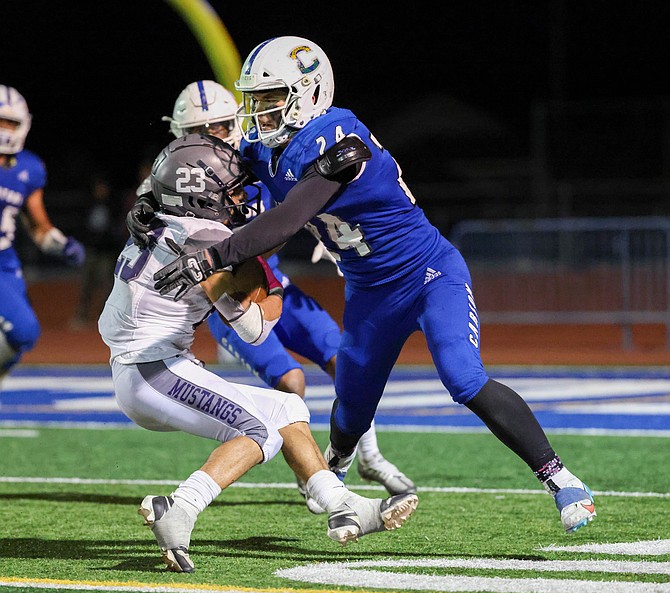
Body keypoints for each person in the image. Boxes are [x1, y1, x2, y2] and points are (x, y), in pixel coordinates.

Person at [136, 37, 597, 534]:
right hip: (369, 292)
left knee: (462, 377)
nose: (260, 113)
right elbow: (203, 168)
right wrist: (149, 200)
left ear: (309, 92)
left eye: (271, 98)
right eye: (257, 100)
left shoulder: (340, 136)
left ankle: (561, 477)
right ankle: (337, 470)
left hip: (427, 274)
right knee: (352, 406)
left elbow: (288, 219)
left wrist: (212, 256)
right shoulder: (265, 150)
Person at [99, 134, 418, 573]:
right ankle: (181, 508)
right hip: (152, 369)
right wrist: (269, 286)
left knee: (287, 408)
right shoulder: (205, 234)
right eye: (228, 190)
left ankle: (341, 503)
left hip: (150, 364)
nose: (238, 199)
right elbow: (254, 329)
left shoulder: (158, 216)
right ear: (200, 191)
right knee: (259, 433)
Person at [138, 79, 417, 507]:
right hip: (227, 295)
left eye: (220, 125)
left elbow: (297, 200)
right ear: (182, 136)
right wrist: (139, 207)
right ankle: (310, 477)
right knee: (291, 380)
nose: (214, 135)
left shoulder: (253, 153)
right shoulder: (187, 173)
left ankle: (370, 455)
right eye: (201, 129)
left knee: (346, 361)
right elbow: (154, 194)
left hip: (274, 283)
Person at [0, 85, 85, 381]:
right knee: (23, 330)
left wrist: (60, 245)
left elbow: (39, 227)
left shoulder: (27, 167)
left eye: (10, 122)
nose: (4, 129)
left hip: (4, 263)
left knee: (22, 336)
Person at [70, 173, 124, 328]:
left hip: (106, 252)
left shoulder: (112, 205)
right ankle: (82, 315)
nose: (101, 190)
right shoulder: (88, 204)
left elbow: (116, 228)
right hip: (91, 250)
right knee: (86, 285)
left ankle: (107, 318)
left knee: (107, 285)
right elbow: (81, 225)